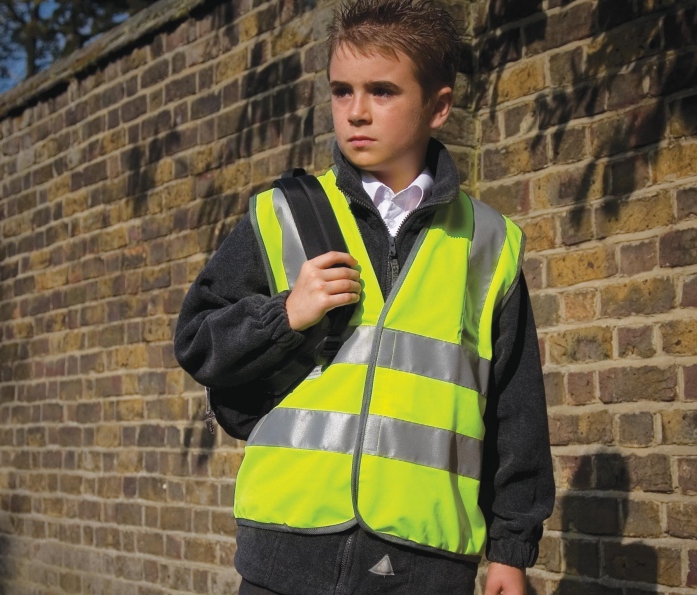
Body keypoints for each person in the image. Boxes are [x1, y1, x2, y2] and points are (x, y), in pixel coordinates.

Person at [174, 1, 554, 593]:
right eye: (341, 91)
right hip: (284, 551)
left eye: (382, 91)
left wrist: (511, 551)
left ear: (439, 107)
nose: (356, 111)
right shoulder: (281, 214)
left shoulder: (488, 243)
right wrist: (284, 316)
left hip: (423, 563)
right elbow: (199, 343)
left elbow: (516, 408)